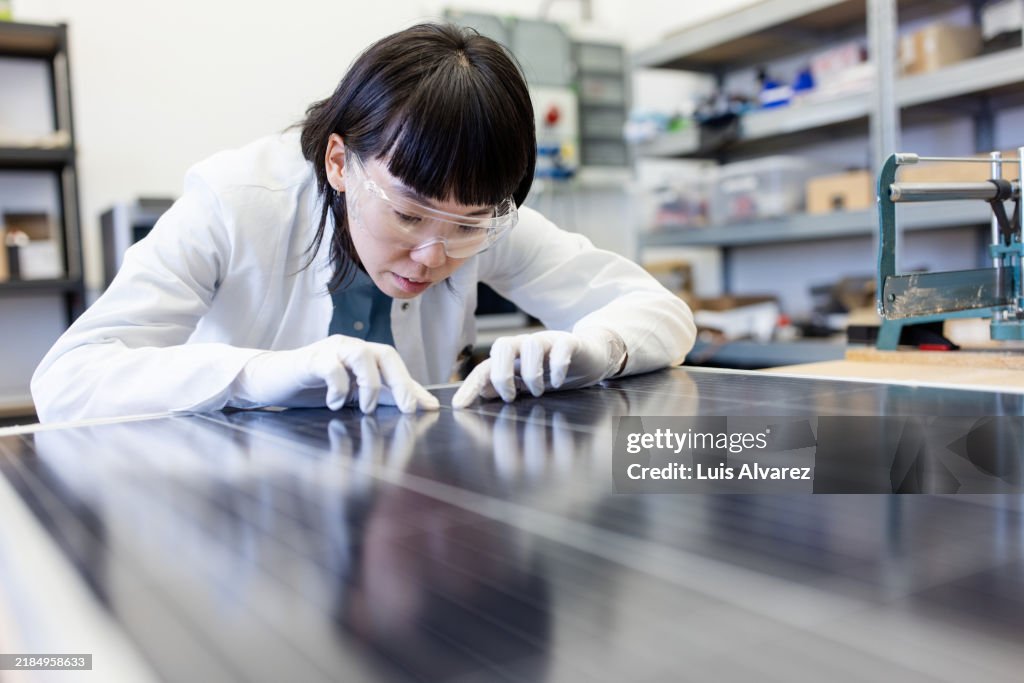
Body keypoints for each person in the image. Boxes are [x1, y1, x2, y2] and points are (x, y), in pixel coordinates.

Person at [31, 23, 695, 423]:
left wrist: (596, 348)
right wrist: (257, 374)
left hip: (410, 497)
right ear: (341, 161)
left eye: (468, 227)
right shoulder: (234, 202)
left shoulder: (479, 218)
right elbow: (67, 381)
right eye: (407, 214)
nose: (433, 254)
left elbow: (659, 311)